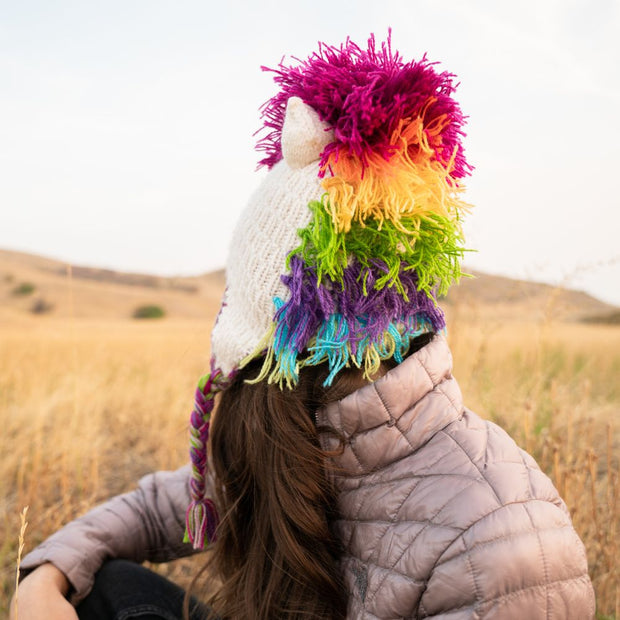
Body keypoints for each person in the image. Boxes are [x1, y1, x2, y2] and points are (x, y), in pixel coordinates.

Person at [13, 34, 595, 619]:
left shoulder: (503, 539)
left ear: (281, 342)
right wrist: (47, 574)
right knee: (109, 584)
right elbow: (171, 503)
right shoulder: (301, 434)